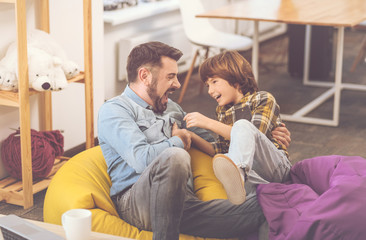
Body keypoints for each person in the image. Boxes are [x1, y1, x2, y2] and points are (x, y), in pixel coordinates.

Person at [97, 42, 291, 240]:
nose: (178, 85)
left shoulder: (171, 107)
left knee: (271, 203)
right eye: (171, 76)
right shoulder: (115, 110)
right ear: (144, 76)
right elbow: (141, 159)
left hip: (184, 204)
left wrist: (263, 138)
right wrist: (178, 140)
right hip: (138, 203)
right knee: (175, 156)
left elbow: (219, 147)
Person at [184, 50, 292, 206]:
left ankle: (238, 174)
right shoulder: (222, 112)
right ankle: (238, 182)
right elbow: (220, 150)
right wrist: (191, 136)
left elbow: (253, 136)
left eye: (214, 82)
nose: (210, 90)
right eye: (207, 85)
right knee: (223, 159)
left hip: (276, 168)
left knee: (242, 126)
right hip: (253, 174)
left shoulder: (262, 98)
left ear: (234, 78)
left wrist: (208, 123)